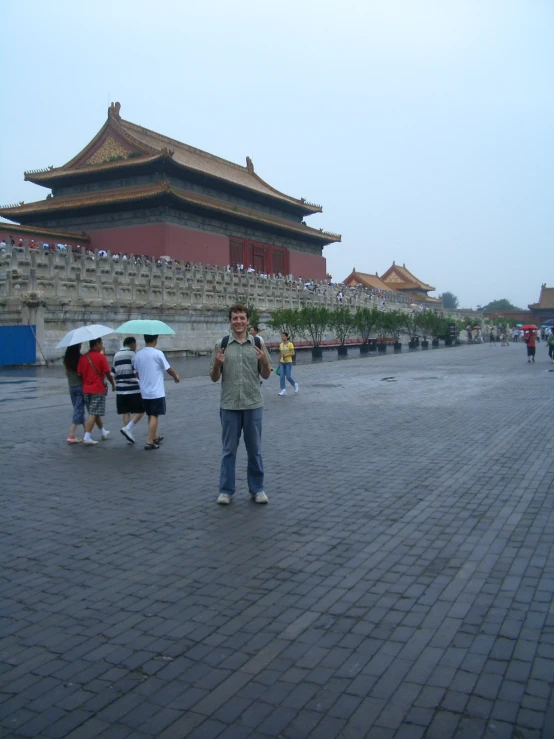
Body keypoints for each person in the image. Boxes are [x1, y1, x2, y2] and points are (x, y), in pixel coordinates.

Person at [210, 303, 272, 505]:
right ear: (230, 321)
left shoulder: (258, 343)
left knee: (255, 450)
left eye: (242, 318)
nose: (239, 322)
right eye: (235, 318)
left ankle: (257, 489)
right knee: (229, 450)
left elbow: (266, 374)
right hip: (229, 405)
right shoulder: (222, 344)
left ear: (248, 321)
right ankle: (226, 490)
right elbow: (213, 377)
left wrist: (264, 361)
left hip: (253, 403)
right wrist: (217, 365)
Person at [134, 334, 180, 450]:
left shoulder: (138, 354)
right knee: (154, 415)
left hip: (144, 391)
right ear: (155, 339)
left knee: (150, 414)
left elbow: (136, 372)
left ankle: (154, 436)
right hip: (156, 391)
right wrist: (175, 376)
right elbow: (168, 369)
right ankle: (149, 441)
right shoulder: (158, 353)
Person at [77, 338, 116, 445]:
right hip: (97, 388)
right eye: (101, 343)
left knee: (93, 411)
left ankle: (103, 431)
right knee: (94, 412)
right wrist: (113, 384)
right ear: (97, 344)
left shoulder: (83, 357)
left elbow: (79, 374)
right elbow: (108, 373)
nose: (102, 345)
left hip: (86, 389)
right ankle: (87, 436)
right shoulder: (101, 357)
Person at [111, 337, 145, 444]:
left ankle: (128, 434)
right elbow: (136, 371)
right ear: (132, 344)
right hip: (132, 389)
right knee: (141, 409)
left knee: (125, 412)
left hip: (120, 389)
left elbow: (113, 373)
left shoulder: (116, 355)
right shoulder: (133, 355)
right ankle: (128, 429)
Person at [64, 343, 85, 444]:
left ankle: (87, 432)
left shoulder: (66, 359)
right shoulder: (80, 358)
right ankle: (71, 435)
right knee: (78, 410)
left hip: (71, 386)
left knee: (79, 409)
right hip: (80, 386)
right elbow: (81, 373)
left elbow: (66, 373)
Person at [278, 332, 299, 397]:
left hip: (288, 362)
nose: (282, 338)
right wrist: (280, 360)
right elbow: (281, 353)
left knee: (288, 376)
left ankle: (295, 384)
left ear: (287, 337)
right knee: (281, 376)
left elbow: (293, 353)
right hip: (282, 362)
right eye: (281, 336)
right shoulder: (281, 344)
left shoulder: (290, 344)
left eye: (283, 336)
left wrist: (286, 355)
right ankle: (283, 389)